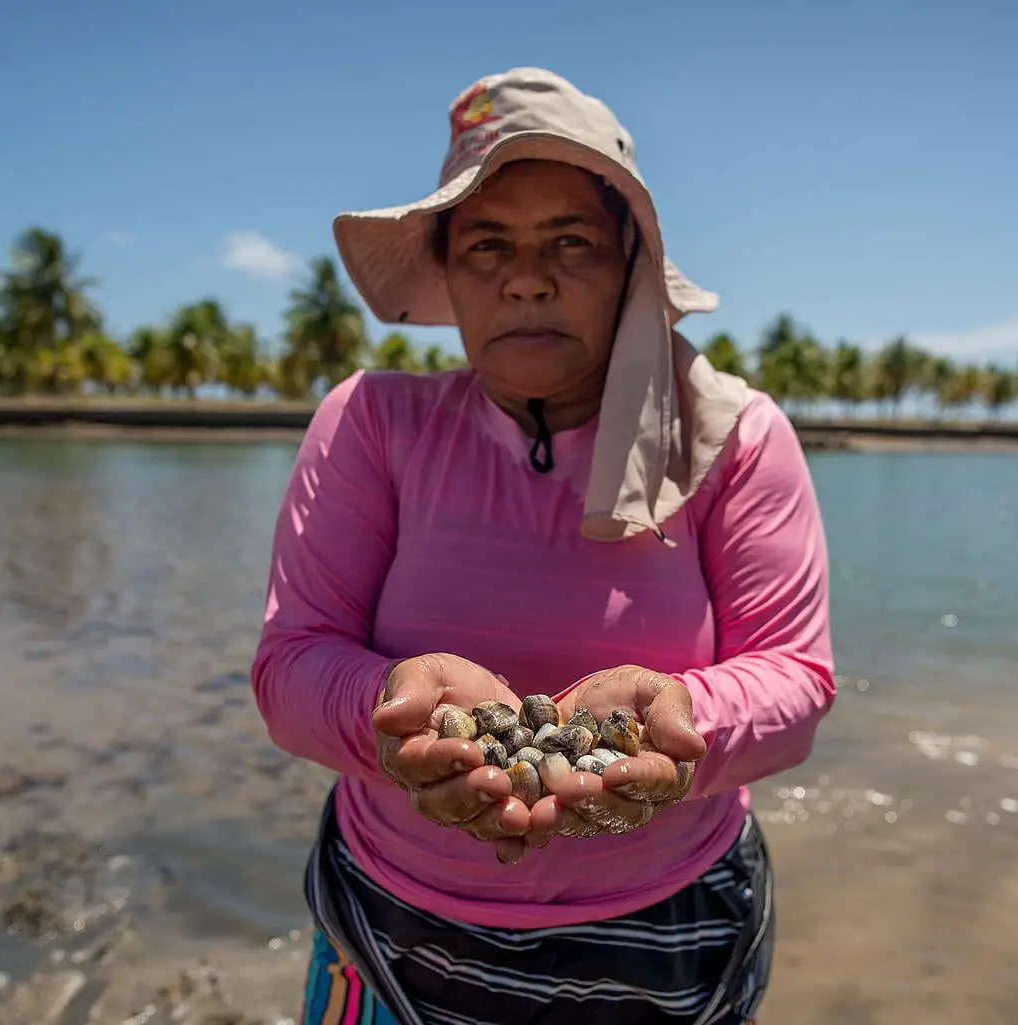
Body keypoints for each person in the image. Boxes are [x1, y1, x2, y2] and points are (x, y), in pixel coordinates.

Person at [251, 66, 836, 1025]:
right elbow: (291, 667)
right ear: (447, 270)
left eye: (571, 242)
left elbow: (796, 681)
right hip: (397, 921)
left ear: (629, 266)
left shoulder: (734, 436)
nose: (527, 276)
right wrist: (396, 717)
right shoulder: (372, 423)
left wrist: (681, 723)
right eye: (488, 245)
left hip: (664, 928)